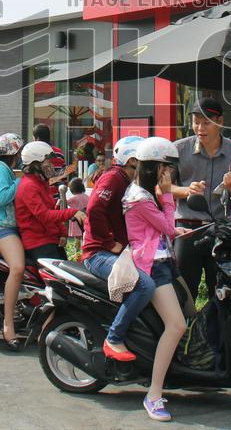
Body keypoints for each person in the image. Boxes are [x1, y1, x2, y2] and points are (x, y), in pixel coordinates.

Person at [123, 137, 189, 422]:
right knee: (177, 325)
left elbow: (163, 229)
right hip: (152, 266)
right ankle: (154, 394)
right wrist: (166, 195)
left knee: (188, 313)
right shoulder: (140, 197)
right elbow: (167, 227)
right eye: (165, 167)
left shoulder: (143, 193)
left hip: (163, 262)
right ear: (153, 168)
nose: (170, 173)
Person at [82, 135, 154, 361]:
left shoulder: (129, 181)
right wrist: (107, 241)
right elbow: (94, 210)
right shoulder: (113, 178)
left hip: (120, 252)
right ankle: (114, 338)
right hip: (98, 254)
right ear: (132, 159)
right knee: (144, 285)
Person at [172, 97, 231, 300]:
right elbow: (162, 188)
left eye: (207, 122)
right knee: (185, 290)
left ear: (220, 122)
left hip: (221, 228)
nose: (200, 128)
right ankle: (184, 327)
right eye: (196, 122)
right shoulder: (178, 149)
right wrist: (186, 190)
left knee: (223, 289)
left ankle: (217, 329)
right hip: (188, 228)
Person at [0, 132, 26, 349]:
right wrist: (21, 182)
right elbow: (1, 197)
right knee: (18, 268)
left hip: (11, 226)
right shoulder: (0, 169)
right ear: (14, 152)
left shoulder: (4, 169)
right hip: (1, 226)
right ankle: (8, 323)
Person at [15, 140, 85, 263]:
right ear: (35, 164)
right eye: (48, 161)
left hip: (50, 238)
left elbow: (52, 209)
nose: (51, 165)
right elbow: (44, 215)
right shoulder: (29, 186)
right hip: (38, 242)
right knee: (58, 280)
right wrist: (72, 212)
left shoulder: (42, 182)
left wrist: (62, 233)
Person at [65, 178, 89, 247]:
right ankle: (84, 248)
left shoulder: (74, 198)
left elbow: (64, 202)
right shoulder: (86, 196)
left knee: (77, 239)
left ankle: (78, 252)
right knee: (84, 237)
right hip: (85, 220)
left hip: (76, 221)